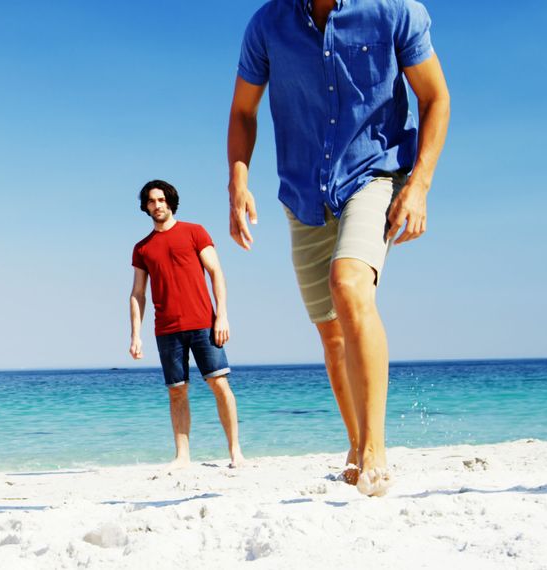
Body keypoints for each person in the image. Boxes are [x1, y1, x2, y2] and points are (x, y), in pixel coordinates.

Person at [226, 0, 450, 496]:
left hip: (374, 174)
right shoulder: (267, 24)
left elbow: (436, 97)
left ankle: (375, 451)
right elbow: (244, 110)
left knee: (348, 285)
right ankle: (355, 443)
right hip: (303, 192)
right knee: (330, 332)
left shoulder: (396, 12)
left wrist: (419, 186)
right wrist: (237, 182)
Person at [129, 180, 246, 470]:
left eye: (162, 199)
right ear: (145, 206)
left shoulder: (194, 232)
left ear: (170, 202)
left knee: (219, 383)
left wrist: (222, 315)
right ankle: (182, 456)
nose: (157, 205)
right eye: (152, 201)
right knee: (176, 390)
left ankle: (235, 452)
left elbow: (216, 272)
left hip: (204, 324)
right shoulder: (142, 248)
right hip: (166, 329)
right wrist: (136, 335)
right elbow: (138, 293)